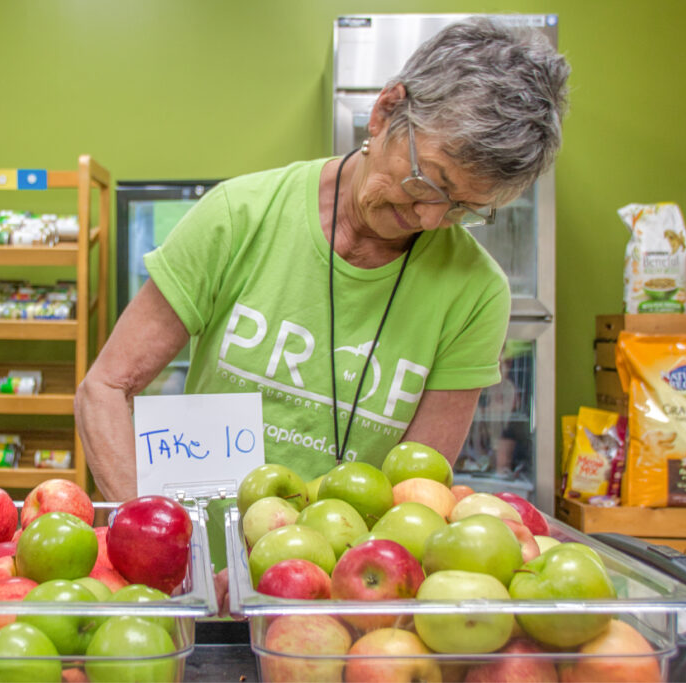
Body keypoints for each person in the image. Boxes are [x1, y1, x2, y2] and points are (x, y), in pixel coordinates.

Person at [75, 17, 570, 505]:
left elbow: (416, 495)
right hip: (190, 566)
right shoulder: (240, 215)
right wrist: (151, 539)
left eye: (464, 208)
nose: (431, 216)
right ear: (384, 112)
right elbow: (105, 389)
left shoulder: (475, 291)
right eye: (430, 180)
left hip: (343, 579)